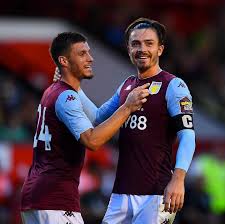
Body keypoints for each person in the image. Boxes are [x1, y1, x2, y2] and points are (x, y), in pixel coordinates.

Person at [54, 18, 196, 224]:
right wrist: (75, 88)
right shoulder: (127, 86)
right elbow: (97, 117)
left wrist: (179, 178)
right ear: (128, 49)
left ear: (160, 49)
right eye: (136, 44)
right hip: (121, 194)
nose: (142, 49)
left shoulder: (174, 86)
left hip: (155, 194)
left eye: (149, 43)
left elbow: (188, 134)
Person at [20, 32, 150, 224]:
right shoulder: (67, 98)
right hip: (55, 199)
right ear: (64, 61)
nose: (90, 58)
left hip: (38, 197)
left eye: (88, 53)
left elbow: (96, 117)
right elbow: (92, 140)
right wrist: (128, 108)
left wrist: (124, 97)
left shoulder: (57, 91)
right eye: (82, 54)